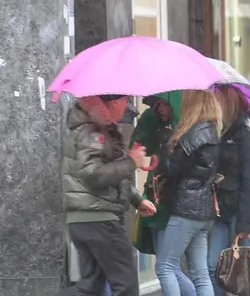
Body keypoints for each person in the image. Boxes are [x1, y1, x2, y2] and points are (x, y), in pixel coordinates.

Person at [58, 94, 157, 296]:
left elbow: (109, 173)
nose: (129, 106)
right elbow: (93, 174)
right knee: (125, 285)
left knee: (90, 287)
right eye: (126, 100)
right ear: (114, 102)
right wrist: (130, 162)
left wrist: (136, 200)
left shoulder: (98, 129)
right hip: (99, 219)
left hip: (86, 218)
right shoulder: (94, 132)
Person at [156, 90, 223, 296]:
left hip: (186, 209)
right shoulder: (213, 132)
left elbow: (172, 167)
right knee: (200, 273)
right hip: (204, 212)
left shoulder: (194, 135)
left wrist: (166, 141)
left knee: (165, 266)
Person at [207, 85, 250, 296]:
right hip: (222, 209)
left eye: (217, 100)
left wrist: (244, 222)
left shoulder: (248, 135)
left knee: (242, 276)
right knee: (213, 266)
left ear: (228, 102)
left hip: (243, 211)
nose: (214, 105)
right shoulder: (222, 131)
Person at [129, 93, 195, 296]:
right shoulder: (153, 120)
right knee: (168, 265)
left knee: (170, 267)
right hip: (159, 198)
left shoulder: (188, 122)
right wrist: (151, 121)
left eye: (164, 104)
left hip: (180, 202)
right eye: (156, 104)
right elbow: (137, 146)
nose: (159, 108)